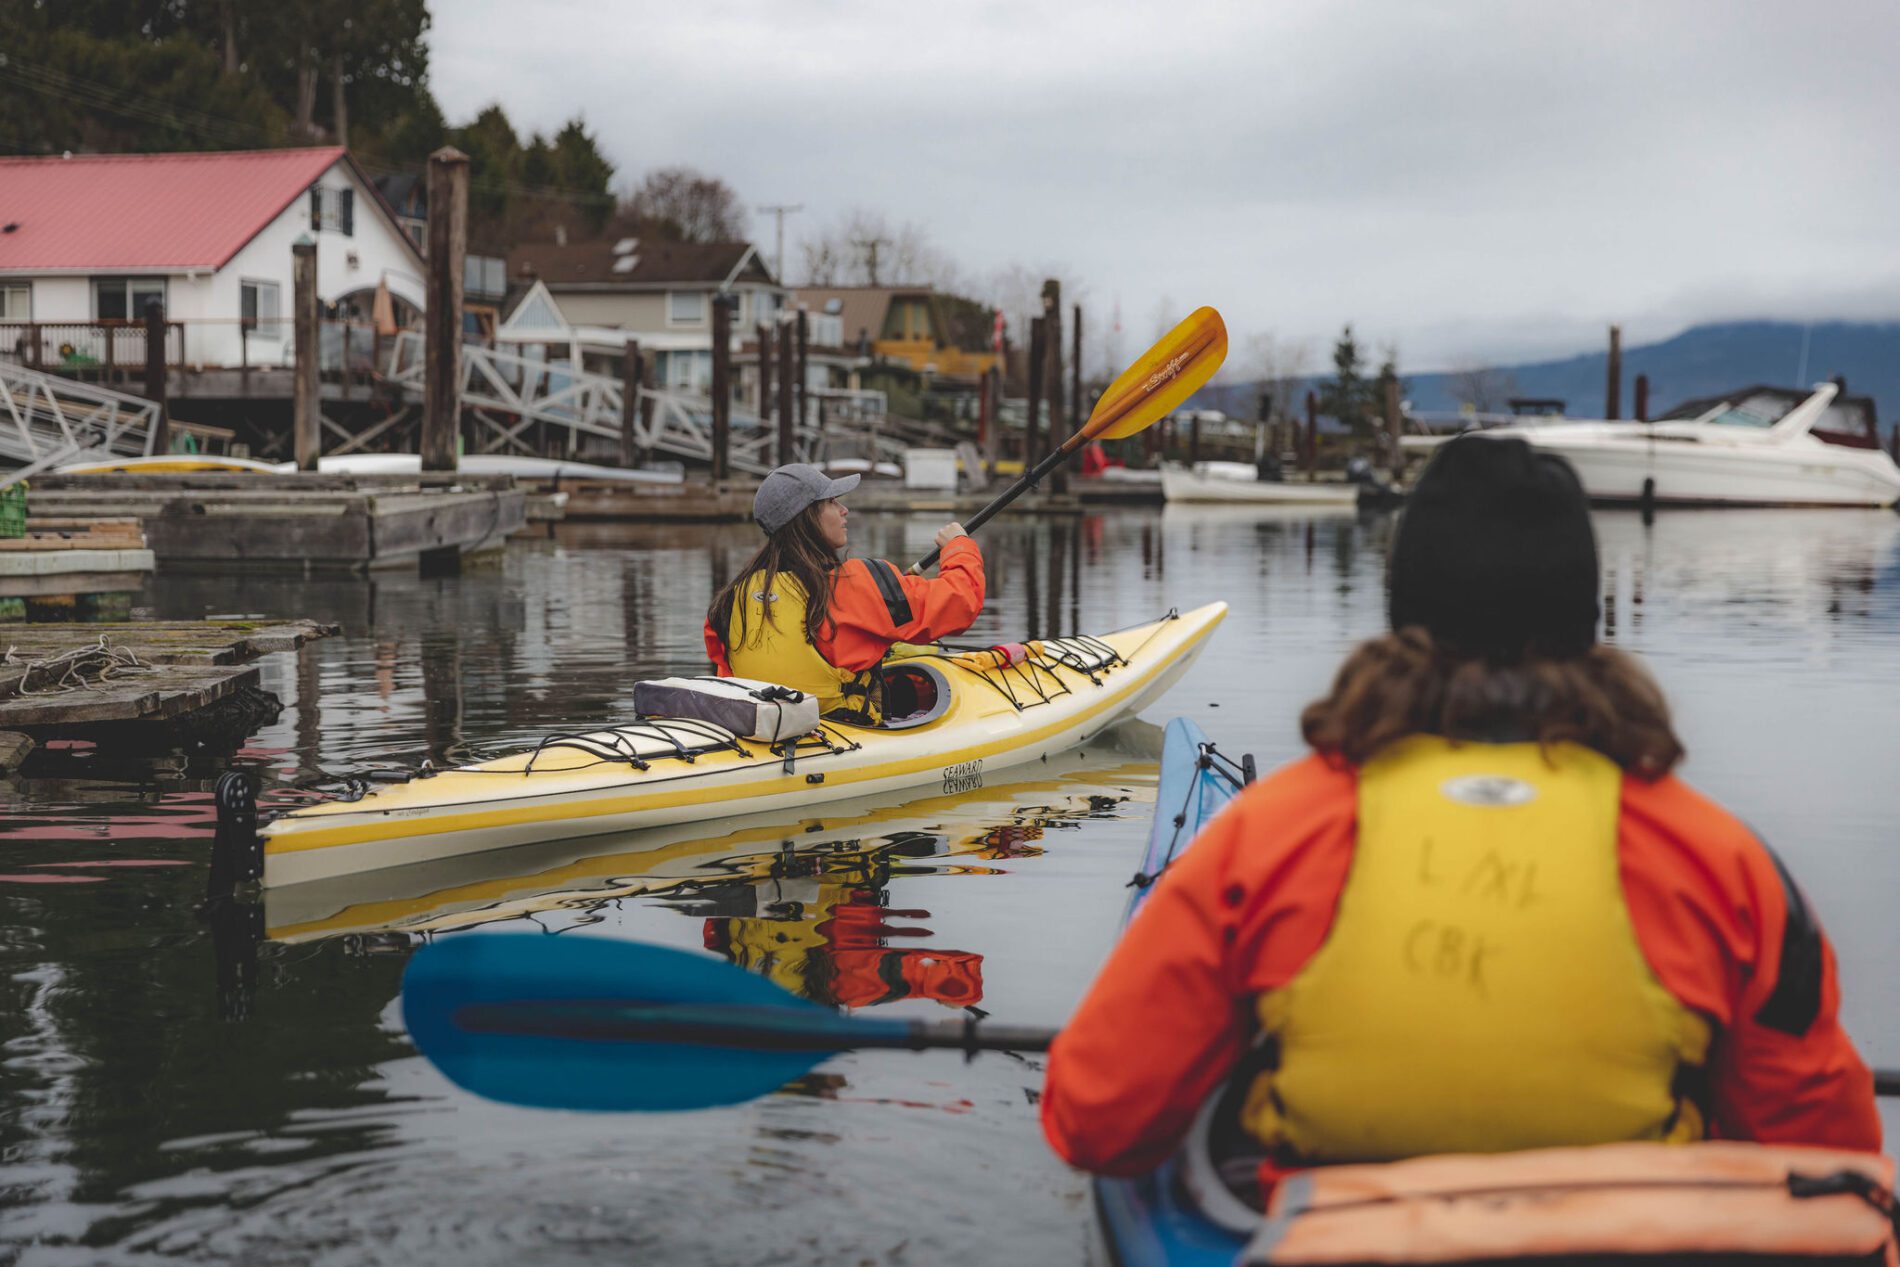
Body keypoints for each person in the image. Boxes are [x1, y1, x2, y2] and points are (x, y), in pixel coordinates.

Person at [1042, 436, 1880, 1192]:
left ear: (1403, 611)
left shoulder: (1268, 841)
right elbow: (1824, 1152)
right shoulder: (1722, 864)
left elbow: (1094, 1117)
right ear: (1586, 622)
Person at [704, 463, 985, 723]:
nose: (843, 509)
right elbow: (961, 603)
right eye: (831, 502)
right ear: (807, 517)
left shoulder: (731, 600)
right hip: (845, 732)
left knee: (897, 655)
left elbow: (731, 679)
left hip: (765, 734)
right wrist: (958, 546)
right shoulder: (855, 583)